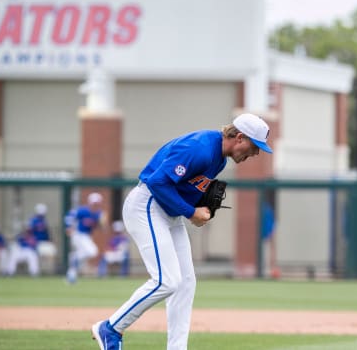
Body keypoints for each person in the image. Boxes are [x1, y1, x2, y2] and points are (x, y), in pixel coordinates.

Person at [91, 113, 272, 350]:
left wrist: (195, 208)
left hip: (167, 212)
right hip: (146, 205)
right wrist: (190, 212)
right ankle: (111, 328)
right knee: (167, 281)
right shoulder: (200, 148)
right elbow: (157, 183)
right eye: (254, 146)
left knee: (186, 282)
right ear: (239, 137)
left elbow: (180, 187)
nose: (255, 153)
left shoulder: (219, 159)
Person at [65, 192, 104, 283]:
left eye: (97, 203)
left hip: (86, 236)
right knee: (92, 251)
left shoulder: (98, 213)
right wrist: (68, 227)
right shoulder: (83, 210)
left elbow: (101, 227)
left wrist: (102, 223)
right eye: (94, 203)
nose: (95, 205)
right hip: (78, 234)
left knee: (85, 255)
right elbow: (69, 216)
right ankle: (74, 258)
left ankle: (71, 274)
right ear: (90, 203)